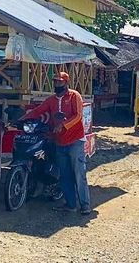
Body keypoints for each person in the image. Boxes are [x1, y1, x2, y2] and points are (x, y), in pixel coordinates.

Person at [21, 70, 92, 216]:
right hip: (59, 142)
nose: (57, 84)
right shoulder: (51, 100)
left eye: (60, 82)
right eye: (55, 81)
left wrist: (63, 125)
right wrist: (21, 119)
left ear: (66, 83)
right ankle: (70, 205)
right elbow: (38, 111)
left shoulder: (74, 96)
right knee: (64, 175)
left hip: (75, 141)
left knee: (79, 174)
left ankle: (85, 205)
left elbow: (78, 115)